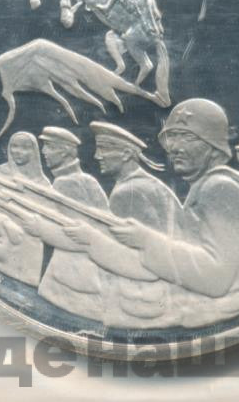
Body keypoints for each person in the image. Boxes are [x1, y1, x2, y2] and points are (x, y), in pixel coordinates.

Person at [109, 99, 239, 328]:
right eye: (171, 138)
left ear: (213, 144)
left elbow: (216, 279)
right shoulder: (209, 185)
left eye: (187, 137)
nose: (173, 148)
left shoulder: (220, 188)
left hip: (230, 303)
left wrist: (145, 240)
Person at [64, 121, 182, 328]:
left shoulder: (127, 192)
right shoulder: (150, 184)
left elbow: (127, 256)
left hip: (141, 299)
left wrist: (89, 238)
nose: (97, 156)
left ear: (126, 154)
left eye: (104, 149)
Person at [20, 126, 110, 321]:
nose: (44, 152)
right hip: (89, 273)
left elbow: (80, 238)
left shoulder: (65, 183)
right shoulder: (88, 180)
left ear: (65, 151)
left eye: (49, 147)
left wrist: (40, 229)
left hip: (72, 275)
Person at [0, 131, 49, 287]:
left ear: (34, 151)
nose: (18, 151)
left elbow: (48, 220)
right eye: (14, 146)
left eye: (25, 147)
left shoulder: (43, 184)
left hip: (29, 255)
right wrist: (5, 223)